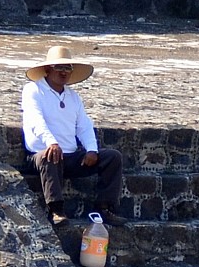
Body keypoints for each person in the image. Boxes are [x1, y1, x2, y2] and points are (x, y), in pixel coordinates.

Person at [20, 44, 124, 225]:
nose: (64, 72)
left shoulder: (73, 96)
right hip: (41, 154)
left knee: (112, 157)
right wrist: (51, 142)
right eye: (59, 67)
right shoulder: (33, 90)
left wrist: (92, 150)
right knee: (49, 156)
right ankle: (56, 210)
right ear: (47, 69)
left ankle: (104, 208)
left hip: (70, 155)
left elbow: (83, 125)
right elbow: (36, 120)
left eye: (67, 68)